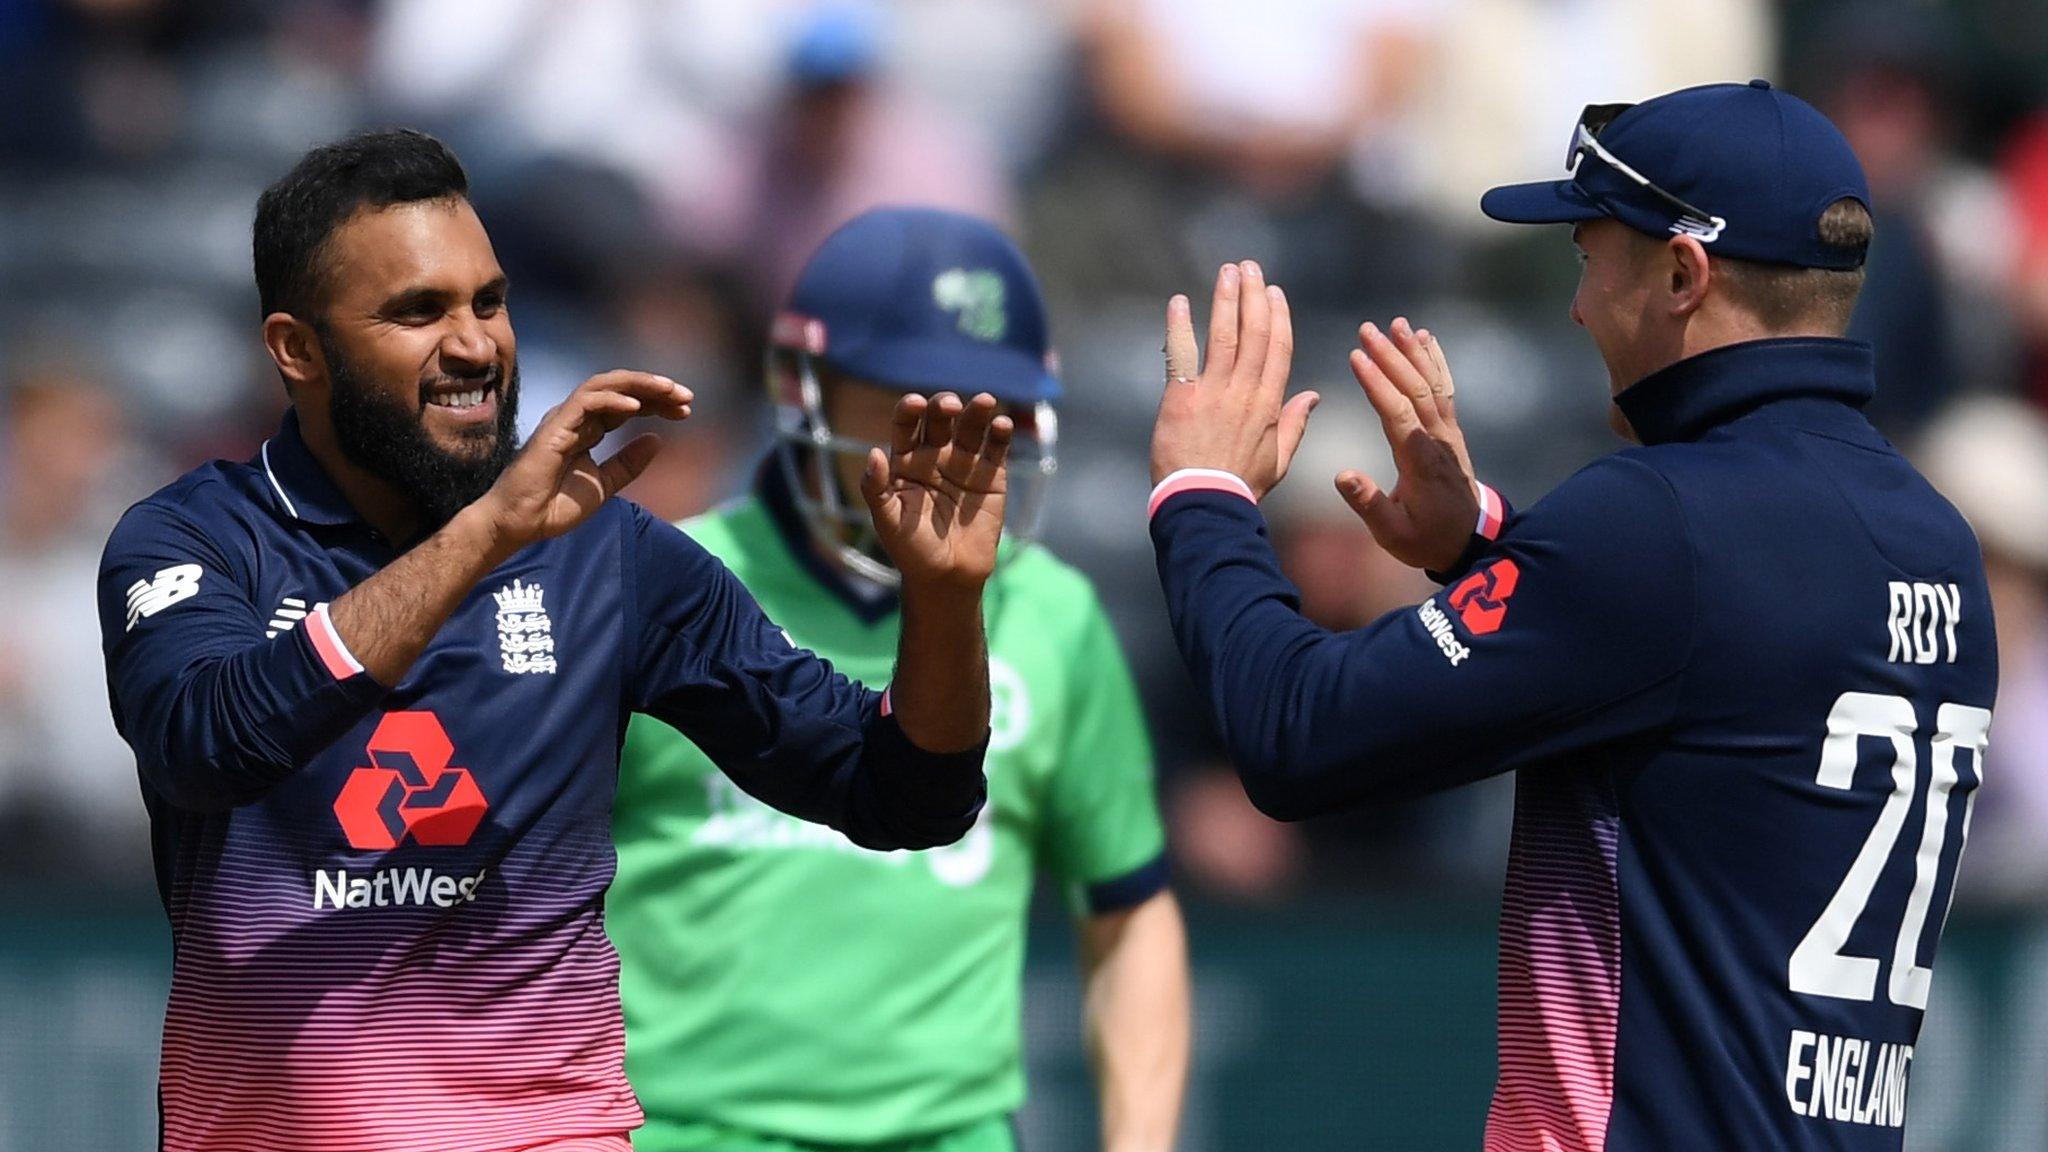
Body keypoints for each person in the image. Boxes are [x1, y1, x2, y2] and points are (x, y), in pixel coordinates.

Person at [96, 129, 1010, 1152]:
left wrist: (941, 604)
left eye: (488, 301)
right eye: (418, 311)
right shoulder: (191, 540)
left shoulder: (606, 555)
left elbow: (901, 792)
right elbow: (203, 744)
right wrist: (483, 538)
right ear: (297, 350)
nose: (476, 344)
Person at [1144, 82, 1996, 1149]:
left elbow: (1294, 732)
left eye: (1590, 255)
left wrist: (1204, 498)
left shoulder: (1658, 521)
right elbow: (1718, 668)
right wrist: (1484, 547)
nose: (1576, 305)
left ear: (1682, 273)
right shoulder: (1935, 541)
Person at [609, 206, 1190, 1152]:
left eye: (993, 405)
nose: (961, 434)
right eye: (915, 398)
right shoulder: (668, 588)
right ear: (804, 392)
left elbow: (1127, 906)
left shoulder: (1055, 616)